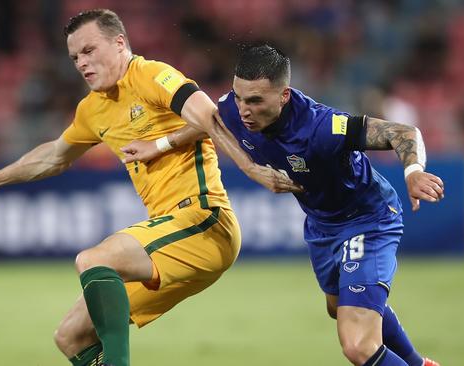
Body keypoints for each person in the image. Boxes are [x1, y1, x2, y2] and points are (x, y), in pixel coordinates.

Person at [0, 10, 297, 366]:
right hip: (169, 234)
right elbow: (55, 155)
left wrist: (250, 168)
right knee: (71, 336)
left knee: (94, 260)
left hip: (204, 221)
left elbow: (210, 113)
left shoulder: (148, 75)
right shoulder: (92, 109)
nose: (82, 63)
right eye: (74, 57)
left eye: (89, 50)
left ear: (119, 44)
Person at [121, 45, 443, 366]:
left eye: (256, 100)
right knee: (339, 307)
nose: (244, 109)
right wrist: (159, 145)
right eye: (239, 97)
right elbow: (212, 123)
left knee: (358, 345)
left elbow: (402, 132)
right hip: (322, 226)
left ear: (284, 96)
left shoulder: (322, 127)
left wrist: (413, 172)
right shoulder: (235, 110)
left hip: (366, 220)